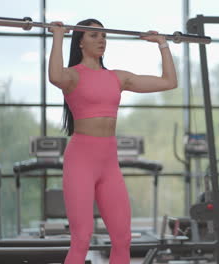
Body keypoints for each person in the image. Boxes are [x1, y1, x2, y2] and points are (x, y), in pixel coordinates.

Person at [48, 18, 177, 264]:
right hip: (81, 162)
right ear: (80, 42)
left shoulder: (117, 77)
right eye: (94, 36)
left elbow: (169, 82)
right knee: (82, 239)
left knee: (123, 238)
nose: (101, 40)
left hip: (108, 163)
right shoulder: (72, 76)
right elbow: (54, 76)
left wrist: (162, 44)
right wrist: (57, 36)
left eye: (103, 36)